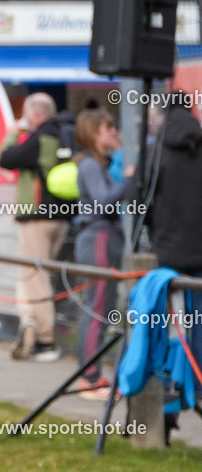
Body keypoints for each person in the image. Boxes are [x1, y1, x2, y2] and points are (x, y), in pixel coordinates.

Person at [0, 93, 74, 362]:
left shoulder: (38, 138)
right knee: (41, 276)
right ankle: (31, 326)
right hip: (63, 217)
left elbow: (5, 158)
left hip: (37, 216)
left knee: (35, 277)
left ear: (34, 115)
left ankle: (45, 340)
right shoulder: (66, 134)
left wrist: (14, 132)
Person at [146, 93, 202, 413]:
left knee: (170, 322)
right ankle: (195, 385)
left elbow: (143, 197)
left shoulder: (157, 149)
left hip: (169, 250)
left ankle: (171, 387)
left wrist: (155, 233)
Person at [73, 109, 133, 401]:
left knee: (102, 306)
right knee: (97, 308)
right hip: (98, 236)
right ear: (95, 132)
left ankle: (92, 374)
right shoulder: (89, 166)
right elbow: (102, 202)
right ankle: (91, 378)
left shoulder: (99, 164)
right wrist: (129, 181)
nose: (114, 132)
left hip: (105, 237)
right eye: (109, 128)